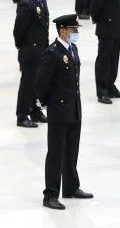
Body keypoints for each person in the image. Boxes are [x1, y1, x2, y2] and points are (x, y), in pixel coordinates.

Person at [36, 14, 93, 209]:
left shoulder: (72, 48)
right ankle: (50, 194)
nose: (76, 33)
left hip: (74, 108)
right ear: (62, 31)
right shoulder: (52, 53)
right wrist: (48, 104)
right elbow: (41, 83)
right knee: (56, 153)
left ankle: (70, 186)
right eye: (73, 30)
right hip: (59, 110)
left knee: (71, 150)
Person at [13, 0, 49, 128]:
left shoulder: (42, 0)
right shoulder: (26, 4)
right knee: (27, 84)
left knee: (38, 83)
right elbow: (18, 30)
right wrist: (23, 46)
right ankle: (22, 115)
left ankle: (35, 110)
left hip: (41, 49)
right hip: (30, 50)